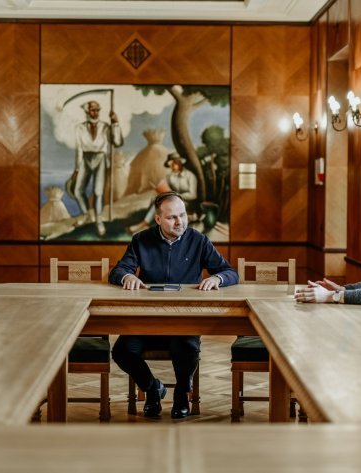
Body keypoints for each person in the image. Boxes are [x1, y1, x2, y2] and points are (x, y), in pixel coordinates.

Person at [109, 191, 238, 419]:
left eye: (183, 215)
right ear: (158, 219)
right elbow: (118, 271)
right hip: (146, 319)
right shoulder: (141, 240)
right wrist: (126, 276)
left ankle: (181, 394)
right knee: (122, 351)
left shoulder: (198, 240)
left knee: (187, 348)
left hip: (184, 318)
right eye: (171, 217)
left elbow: (230, 272)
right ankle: (152, 389)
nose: (180, 222)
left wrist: (217, 278)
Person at [73, 100, 123, 237]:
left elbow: (117, 142)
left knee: (98, 192)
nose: (95, 113)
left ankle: (99, 221)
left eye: (97, 110)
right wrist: (77, 169)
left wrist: (115, 123)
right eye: (92, 110)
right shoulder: (79, 128)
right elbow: (78, 149)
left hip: (100, 158)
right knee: (77, 191)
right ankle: (86, 215)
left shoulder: (105, 126)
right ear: (87, 112)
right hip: (85, 159)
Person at [128, 152, 199, 234]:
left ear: (179, 163)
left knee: (163, 204)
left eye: (173, 164)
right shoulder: (170, 176)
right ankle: (147, 224)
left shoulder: (190, 176)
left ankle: (144, 224)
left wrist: (177, 195)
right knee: (158, 201)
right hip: (173, 200)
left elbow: (193, 195)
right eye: (170, 165)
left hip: (186, 203)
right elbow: (167, 188)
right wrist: (161, 189)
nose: (171, 167)